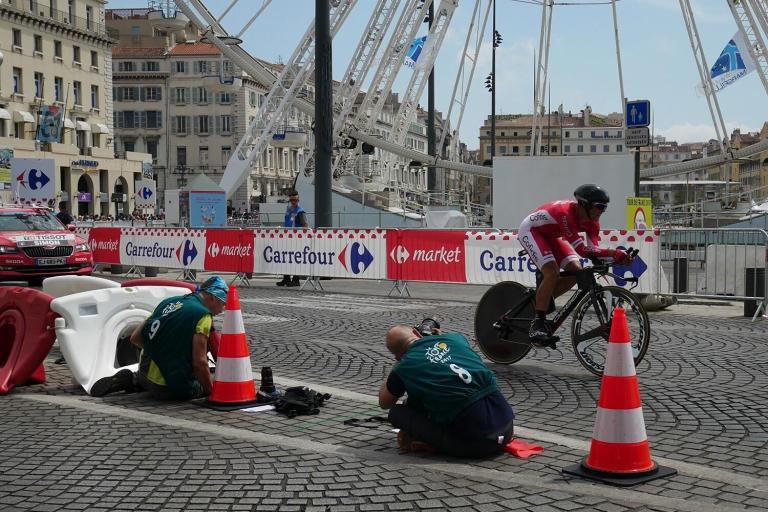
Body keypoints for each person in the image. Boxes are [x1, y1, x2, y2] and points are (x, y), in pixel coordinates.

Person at [518, 184, 633, 346]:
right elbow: (582, 250)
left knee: (577, 272)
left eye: (605, 207)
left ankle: (544, 299)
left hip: (551, 236)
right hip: (531, 231)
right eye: (599, 206)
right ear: (584, 204)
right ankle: (538, 324)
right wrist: (614, 253)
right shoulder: (565, 214)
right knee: (552, 273)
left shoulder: (593, 223)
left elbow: (593, 250)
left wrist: (619, 259)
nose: (602, 211)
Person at [378, 323, 515, 458]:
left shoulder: (404, 367)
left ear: (397, 357)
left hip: (475, 446)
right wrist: (437, 338)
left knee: (396, 412)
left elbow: (384, 403)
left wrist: (397, 366)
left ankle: (433, 442)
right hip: (507, 429)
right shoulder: (454, 338)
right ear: (417, 333)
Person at [89, 276, 228, 399]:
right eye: (222, 304)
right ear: (212, 297)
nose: (222, 310)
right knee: (206, 385)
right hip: (168, 386)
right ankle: (139, 382)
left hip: (144, 372)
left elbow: (135, 337)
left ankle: (134, 380)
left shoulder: (169, 302)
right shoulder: (203, 315)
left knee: (150, 377)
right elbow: (200, 363)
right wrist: (211, 391)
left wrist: (160, 352)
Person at [277, 190, 309, 287]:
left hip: (296, 239)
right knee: (285, 258)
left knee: (295, 259)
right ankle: (286, 278)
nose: (293, 202)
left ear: (298, 200)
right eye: (291, 200)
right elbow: (286, 222)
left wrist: (302, 236)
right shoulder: (289, 209)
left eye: (295, 200)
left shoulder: (300, 211)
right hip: (287, 237)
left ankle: (296, 280)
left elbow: (305, 226)